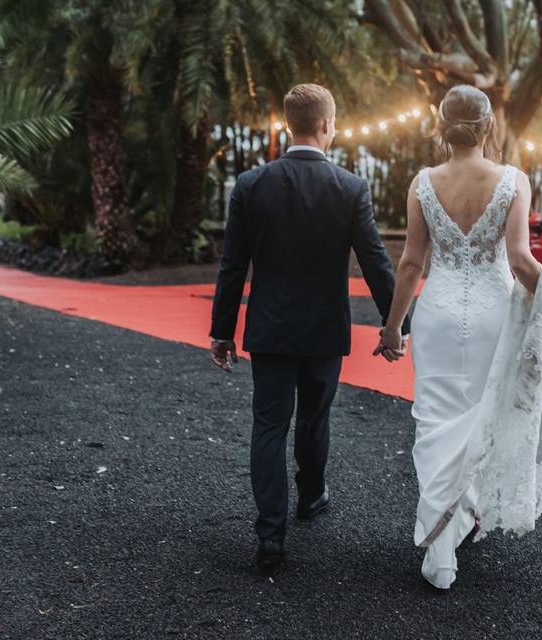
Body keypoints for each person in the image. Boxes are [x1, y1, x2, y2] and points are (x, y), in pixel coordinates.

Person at [376, 85, 542, 588]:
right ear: (488, 126)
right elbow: (519, 262)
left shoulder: (423, 183)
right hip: (494, 316)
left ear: (440, 125)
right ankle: (457, 525)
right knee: (482, 419)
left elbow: (410, 263)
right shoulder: (514, 181)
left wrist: (391, 327)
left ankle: (440, 546)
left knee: (436, 425)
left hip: (438, 318)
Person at [209, 83, 411, 574]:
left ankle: (270, 536)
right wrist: (395, 327)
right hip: (323, 330)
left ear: (287, 124)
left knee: (268, 424)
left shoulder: (251, 185)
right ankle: (312, 496)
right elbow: (376, 264)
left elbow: (232, 266)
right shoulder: (349, 188)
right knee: (315, 418)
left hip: (270, 329)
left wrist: (222, 331)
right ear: (326, 126)